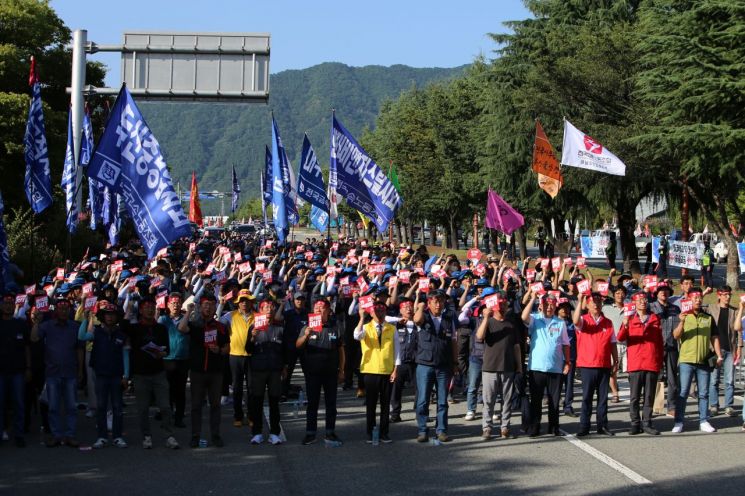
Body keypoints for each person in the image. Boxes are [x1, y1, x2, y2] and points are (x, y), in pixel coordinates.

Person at [125, 298, 179, 449]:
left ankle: (169, 435)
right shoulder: (135, 328)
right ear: (140, 310)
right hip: (140, 374)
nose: (149, 310)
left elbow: (167, 348)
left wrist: (162, 352)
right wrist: (129, 309)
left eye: (152, 307)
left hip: (158, 372)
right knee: (143, 408)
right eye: (146, 307)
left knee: (165, 406)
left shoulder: (161, 328)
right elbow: (122, 326)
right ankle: (146, 436)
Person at [31, 298, 84, 448]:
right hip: (52, 372)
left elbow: (80, 350)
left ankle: (70, 435)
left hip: (70, 372)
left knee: (71, 407)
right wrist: (36, 321)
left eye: (66, 308)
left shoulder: (75, 327)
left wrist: (80, 370)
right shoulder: (47, 326)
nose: (63, 311)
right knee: (53, 406)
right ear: (55, 310)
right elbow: (34, 338)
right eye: (60, 308)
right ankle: (56, 435)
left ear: (69, 310)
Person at [179, 294, 230, 448]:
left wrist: (219, 350)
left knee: (215, 405)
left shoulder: (220, 327)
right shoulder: (195, 325)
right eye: (205, 304)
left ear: (216, 307)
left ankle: (215, 435)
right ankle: (195, 435)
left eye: (211, 304)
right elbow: (181, 328)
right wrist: (188, 311)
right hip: (197, 371)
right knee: (196, 405)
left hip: (215, 372)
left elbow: (228, 347)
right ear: (201, 307)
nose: (208, 307)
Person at [671, 288, 722, 433]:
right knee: (683, 392)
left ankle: (704, 420)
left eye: (700, 297)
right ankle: (679, 421)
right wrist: (681, 322)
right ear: (689, 299)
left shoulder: (708, 318)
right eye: (695, 298)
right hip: (687, 360)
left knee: (703, 393)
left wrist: (719, 355)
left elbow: (715, 337)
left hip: (703, 361)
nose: (698, 300)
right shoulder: (683, 316)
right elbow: (676, 336)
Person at [79, 301, 130, 448]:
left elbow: (125, 355)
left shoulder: (122, 334)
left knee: (117, 407)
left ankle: (117, 436)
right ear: (102, 316)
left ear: (116, 317)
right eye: (107, 314)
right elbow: (82, 336)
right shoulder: (96, 331)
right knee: (101, 406)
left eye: (112, 314)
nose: (110, 317)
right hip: (101, 374)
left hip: (116, 375)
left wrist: (126, 375)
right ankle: (101, 436)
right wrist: (86, 318)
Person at [296, 298, 345, 445]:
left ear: (329, 311)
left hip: (330, 372)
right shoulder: (306, 327)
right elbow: (297, 346)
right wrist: (305, 335)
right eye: (316, 307)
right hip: (312, 372)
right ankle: (310, 433)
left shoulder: (335, 327)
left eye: (322, 307)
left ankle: (330, 432)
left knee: (331, 403)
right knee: (312, 403)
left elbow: (341, 350)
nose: (318, 309)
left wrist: (342, 371)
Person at [521, 292, 569, 437]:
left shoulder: (560, 322)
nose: (549, 307)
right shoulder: (535, 319)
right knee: (536, 400)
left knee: (554, 400)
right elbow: (523, 316)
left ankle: (554, 427)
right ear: (541, 305)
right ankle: (535, 427)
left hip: (555, 367)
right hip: (537, 367)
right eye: (546, 304)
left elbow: (566, 344)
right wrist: (533, 299)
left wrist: (567, 362)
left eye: (552, 305)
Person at [413, 290, 458, 443]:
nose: (438, 304)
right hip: (425, 364)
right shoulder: (424, 316)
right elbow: (417, 320)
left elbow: (453, 341)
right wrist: (420, 307)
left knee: (442, 400)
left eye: (441, 301)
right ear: (429, 303)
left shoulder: (448, 318)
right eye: (435, 301)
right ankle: (422, 429)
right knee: (423, 400)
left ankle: (441, 430)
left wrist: (455, 362)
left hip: (443, 365)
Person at [572, 292, 619, 436]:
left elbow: (612, 344)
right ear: (587, 305)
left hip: (604, 365)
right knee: (587, 397)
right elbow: (575, 322)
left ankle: (602, 425)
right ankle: (584, 426)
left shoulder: (608, 322)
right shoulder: (584, 320)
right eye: (593, 302)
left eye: (598, 302)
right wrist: (580, 301)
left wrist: (615, 360)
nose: (596, 305)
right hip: (587, 365)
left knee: (603, 398)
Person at [617, 292, 663, 435]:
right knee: (634, 396)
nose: (643, 302)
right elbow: (620, 338)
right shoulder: (629, 319)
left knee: (649, 396)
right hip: (636, 363)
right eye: (640, 300)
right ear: (634, 303)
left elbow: (660, 343)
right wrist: (624, 325)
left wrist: (659, 362)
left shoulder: (655, 318)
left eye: (645, 300)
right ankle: (635, 423)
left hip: (651, 362)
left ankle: (647, 422)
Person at [354, 301, 400, 443]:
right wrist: (361, 317)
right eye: (376, 310)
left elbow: (397, 350)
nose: (379, 313)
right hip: (370, 370)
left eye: (382, 310)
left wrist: (396, 369)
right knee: (371, 404)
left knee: (385, 404)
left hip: (387, 370)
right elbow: (357, 335)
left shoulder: (391, 328)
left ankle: (384, 432)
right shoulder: (366, 327)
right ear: (371, 312)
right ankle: (370, 431)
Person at [478, 296, 523, 440]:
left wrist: (519, 367)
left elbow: (516, 347)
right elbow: (479, 336)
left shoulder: (511, 324)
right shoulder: (489, 322)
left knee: (507, 400)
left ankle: (505, 428)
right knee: (488, 400)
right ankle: (487, 428)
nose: (503, 308)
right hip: (490, 367)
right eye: (500, 305)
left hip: (508, 367)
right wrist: (485, 317)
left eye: (505, 305)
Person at [246, 297, 286, 445]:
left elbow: (284, 350)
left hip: (275, 370)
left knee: (274, 401)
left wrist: (285, 367)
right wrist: (252, 338)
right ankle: (256, 432)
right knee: (257, 401)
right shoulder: (254, 327)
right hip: (258, 370)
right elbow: (248, 349)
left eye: (271, 308)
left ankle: (274, 433)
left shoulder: (280, 328)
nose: (269, 310)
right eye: (265, 308)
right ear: (260, 311)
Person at [218, 289, 255, 428]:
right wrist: (221, 305)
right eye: (241, 301)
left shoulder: (258, 316)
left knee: (252, 388)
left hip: (252, 357)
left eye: (246, 300)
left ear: (251, 302)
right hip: (235, 356)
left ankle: (251, 416)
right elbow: (217, 322)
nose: (244, 303)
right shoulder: (230, 315)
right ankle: (238, 416)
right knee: (237, 388)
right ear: (238, 303)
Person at [0, 291, 31, 447]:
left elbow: (27, 348)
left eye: (11, 304)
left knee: (19, 403)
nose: (8, 306)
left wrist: (28, 368)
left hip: (18, 371)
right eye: (5, 303)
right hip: (1, 371)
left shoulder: (21, 324)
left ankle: (18, 434)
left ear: (15, 306)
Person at [705, 286, 741, 417]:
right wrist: (704, 293)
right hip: (714, 351)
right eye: (725, 294)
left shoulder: (734, 311)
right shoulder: (711, 308)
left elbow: (739, 331)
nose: (728, 297)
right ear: (719, 295)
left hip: (730, 349)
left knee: (729, 380)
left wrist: (739, 348)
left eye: (729, 294)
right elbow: (694, 304)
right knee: (713, 380)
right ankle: (714, 405)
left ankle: (729, 406)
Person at [649, 283, 680, 417]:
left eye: (666, 290)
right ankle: (656, 405)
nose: (664, 293)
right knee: (656, 377)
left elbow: (680, 326)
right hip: (656, 346)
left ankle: (672, 406)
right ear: (656, 293)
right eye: (661, 290)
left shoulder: (676, 308)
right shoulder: (651, 307)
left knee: (672, 377)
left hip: (672, 345)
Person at [160, 293, 189, 428]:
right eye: (173, 303)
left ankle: (179, 417)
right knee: (167, 390)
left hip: (183, 359)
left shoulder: (186, 318)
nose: (175, 305)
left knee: (180, 391)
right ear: (168, 305)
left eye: (178, 303)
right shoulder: (163, 319)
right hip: (167, 359)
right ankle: (167, 416)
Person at [389, 298, 417, 423]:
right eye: (405, 307)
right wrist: (398, 319)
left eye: (410, 306)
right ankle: (395, 414)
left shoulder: (419, 322)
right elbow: (383, 318)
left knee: (420, 389)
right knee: (396, 390)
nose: (409, 309)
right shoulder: (395, 324)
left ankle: (420, 413)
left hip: (416, 362)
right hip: (400, 362)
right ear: (400, 310)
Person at [601, 286, 626, 403]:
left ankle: (636, 393)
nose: (620, 295)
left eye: (622, 293)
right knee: (613, 370)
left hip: (628, 344)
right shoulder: (606, 309)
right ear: (614, 295)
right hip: (613, 344)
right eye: (617, 293)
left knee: (631, 370)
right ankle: (615, 393)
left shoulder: (630, 309)